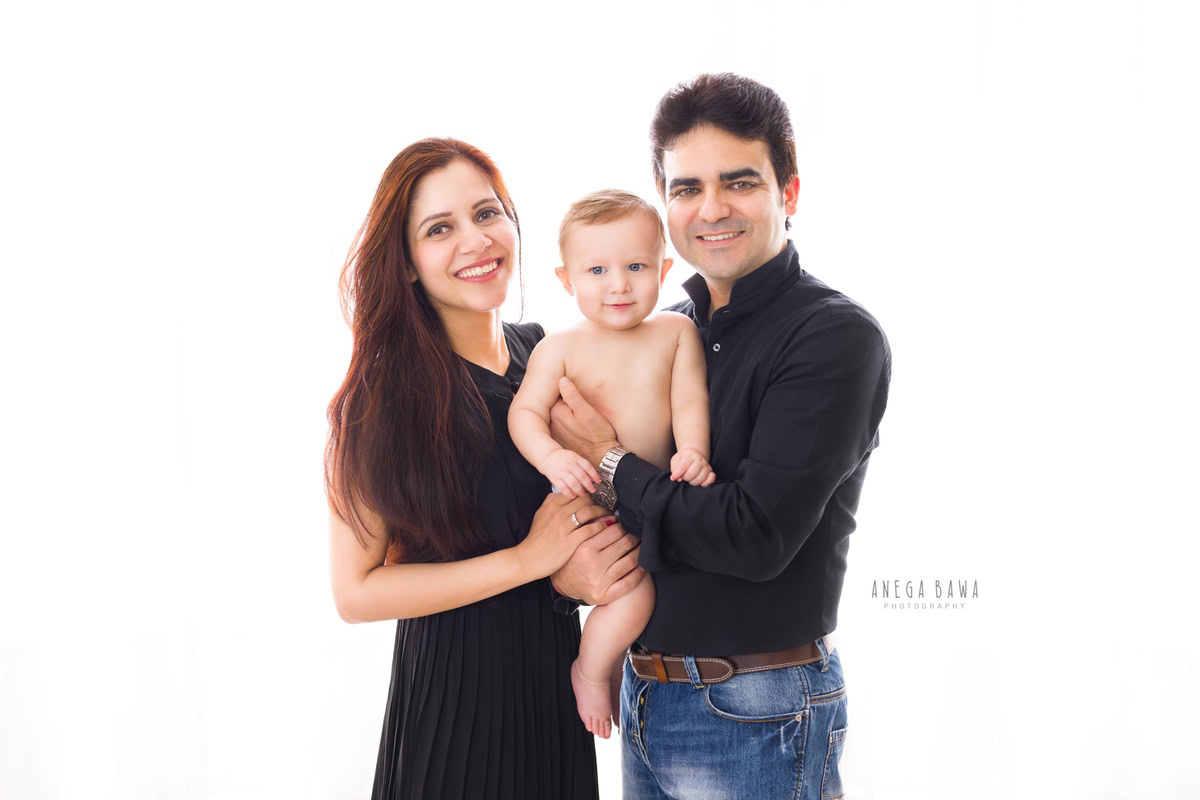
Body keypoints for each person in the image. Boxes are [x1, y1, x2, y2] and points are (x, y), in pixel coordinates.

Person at [548, 73, 892, 799]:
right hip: (644, 694)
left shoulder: (833, 336)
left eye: (739, 182)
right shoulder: (663, 330)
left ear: (788, 192)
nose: (711, 209)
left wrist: (608, 459)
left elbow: (753, 537)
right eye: (686, 188)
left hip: (758, 708)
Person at [324, 138, 630, 799]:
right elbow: (355, 594)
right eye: (440, 229)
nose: (476, 240)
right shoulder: (381, 399)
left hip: (552, 699)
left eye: (487, 213)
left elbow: (588, 516)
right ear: (407, 263)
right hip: (453, 713)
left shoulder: (545, 355)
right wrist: (527, 560)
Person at [507, 190, 715, 739]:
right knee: (634, 594)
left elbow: (689, 400)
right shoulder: (559, 348)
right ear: (566, 280)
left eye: (636, 267)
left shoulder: (676, 333)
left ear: (663, 269)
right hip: (588, 497)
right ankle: (591, 671)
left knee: (662, 587)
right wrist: (552, 456)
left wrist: (692, 450)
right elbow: (524, 414)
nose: (618, 284)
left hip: (652, 494)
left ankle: (620, 664)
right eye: (597, 270)